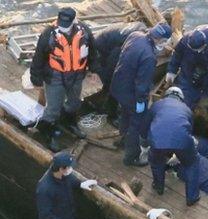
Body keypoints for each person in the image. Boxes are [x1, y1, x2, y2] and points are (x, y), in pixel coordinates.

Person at [30, 7, 100, 150]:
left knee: (74, 103)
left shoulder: (84, 31)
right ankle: (48, 132)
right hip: (55, 76)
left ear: (74, 20)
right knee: (53, 109)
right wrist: (35, 80)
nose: (63, 26)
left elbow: (92, 51)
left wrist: (94, 70)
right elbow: (38, 58)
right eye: (61, 23)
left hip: (77, 75)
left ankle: (69, 122)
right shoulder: (48, 34)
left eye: (66, 24)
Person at [110, 22, 172, 167]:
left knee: (124, 114)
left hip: (118, 85)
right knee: (135, 125)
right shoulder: (149, 57)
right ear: (161, 40)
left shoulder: (135, 35)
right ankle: (131, 157)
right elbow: (142, 84)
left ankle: (122, 139)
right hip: (132, 94)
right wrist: (141, 102)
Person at [144, 87, 200, 206]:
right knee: (192, 163)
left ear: (166, 95)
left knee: (156, 161)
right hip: (182, 141)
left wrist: (145, 140)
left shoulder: (157, 104)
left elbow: (146, 123)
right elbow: (190, 129)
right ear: (181, 99)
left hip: (157, 140)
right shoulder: (187, 110)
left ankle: (158, 186)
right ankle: (192, 197)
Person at [92, 22, 147, 125]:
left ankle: (104, 102)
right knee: (112, 82)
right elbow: (113, 64)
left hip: (108, 41)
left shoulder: (141, 28)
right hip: (99, 48)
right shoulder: (125, 42)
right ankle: (110, 114)